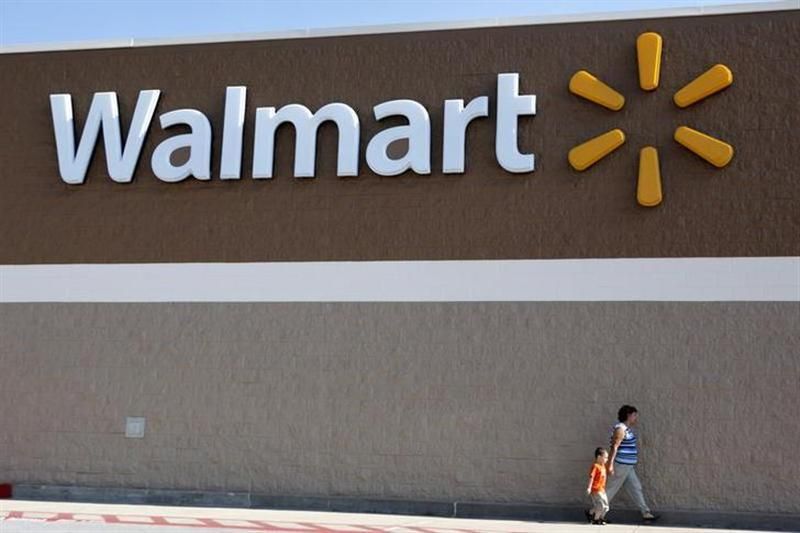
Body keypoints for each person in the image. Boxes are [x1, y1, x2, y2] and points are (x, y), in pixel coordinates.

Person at [606, 405, 659, 521]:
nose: (636, 418)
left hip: (628, 466)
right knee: (611, 489)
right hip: (621, 465)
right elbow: (614, 447)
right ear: (628, 415)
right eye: (634, 415)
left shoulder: (627, 429)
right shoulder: (620, 429)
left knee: (636, 487)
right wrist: (610, 465)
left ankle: (646, 513)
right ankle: (595, 512)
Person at [586, 447, 609, 525]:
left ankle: (591, 513)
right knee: (601, 506)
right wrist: (589, 487)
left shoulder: (603, 467)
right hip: (596, 489)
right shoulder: (595, 466)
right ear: (599, 457)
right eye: (605, 457)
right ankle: (596, 519)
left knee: (606, 507)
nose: (607, 459)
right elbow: (591, 477)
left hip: (602, 490)